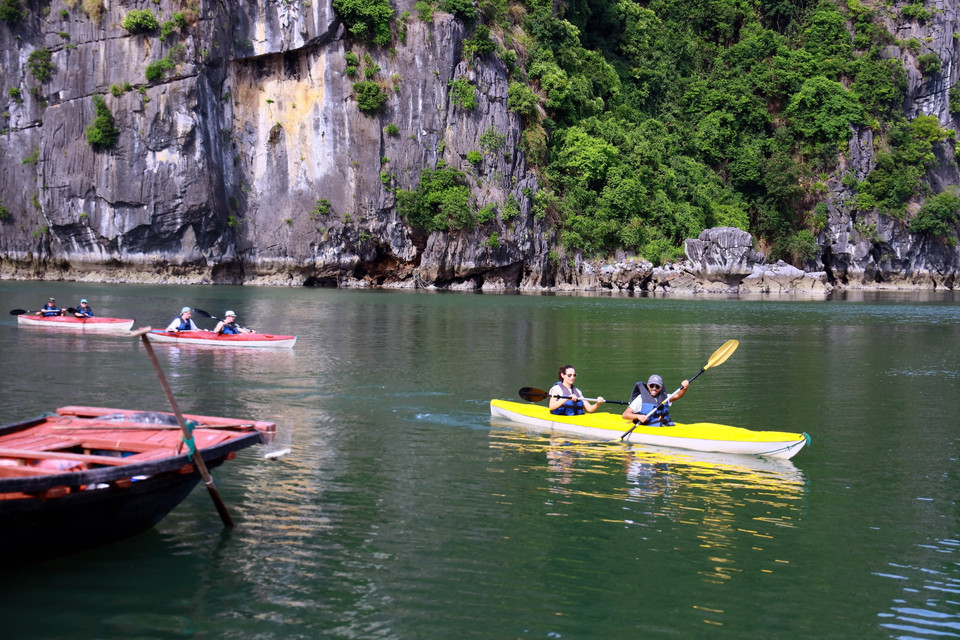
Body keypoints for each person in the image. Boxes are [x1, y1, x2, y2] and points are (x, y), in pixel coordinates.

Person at [622, 374, 689, 426]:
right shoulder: (640, 399)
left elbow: (678, 395)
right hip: (648, 426)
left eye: (657, 386)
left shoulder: (664, 397)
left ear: (661, 387)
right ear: (648, 386)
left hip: (664, 425)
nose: (654, 388)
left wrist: (684, 388)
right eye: (652, 386)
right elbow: (625, 415)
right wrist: (638, 416)